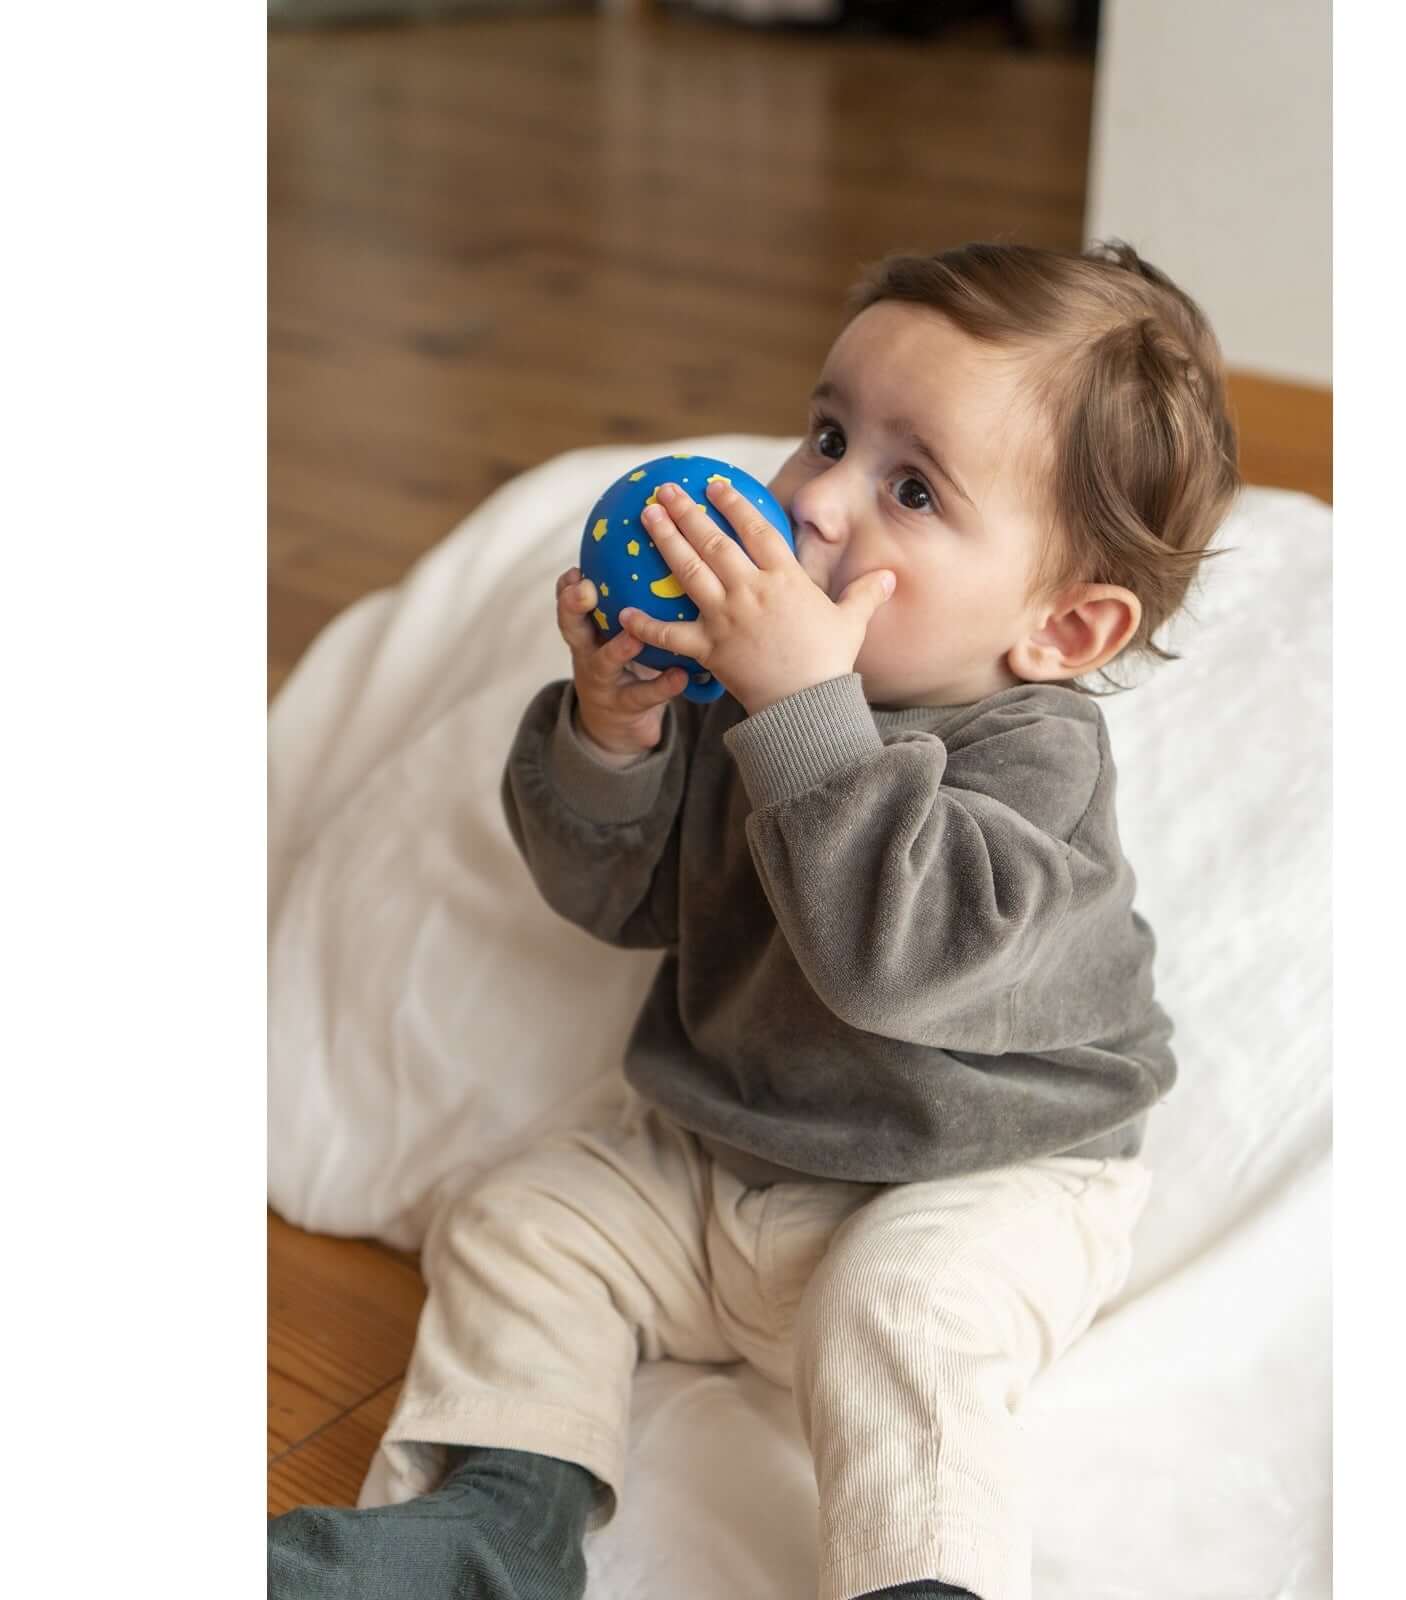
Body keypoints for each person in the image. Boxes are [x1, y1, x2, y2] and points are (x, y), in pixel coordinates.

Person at [268, 239, 1242, 1600]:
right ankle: (496, 1521)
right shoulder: (743, 695)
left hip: (976, 1176)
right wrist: (614, 732)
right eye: (828, 434)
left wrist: (800, 712)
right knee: (524, 1218)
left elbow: (900, 964)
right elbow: (619, 899)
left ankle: (924, 1582)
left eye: (912, 488)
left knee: (901, 1318)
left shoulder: (1037, 763)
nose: (819, 500)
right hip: (730, 1156)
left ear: (1063, 632)